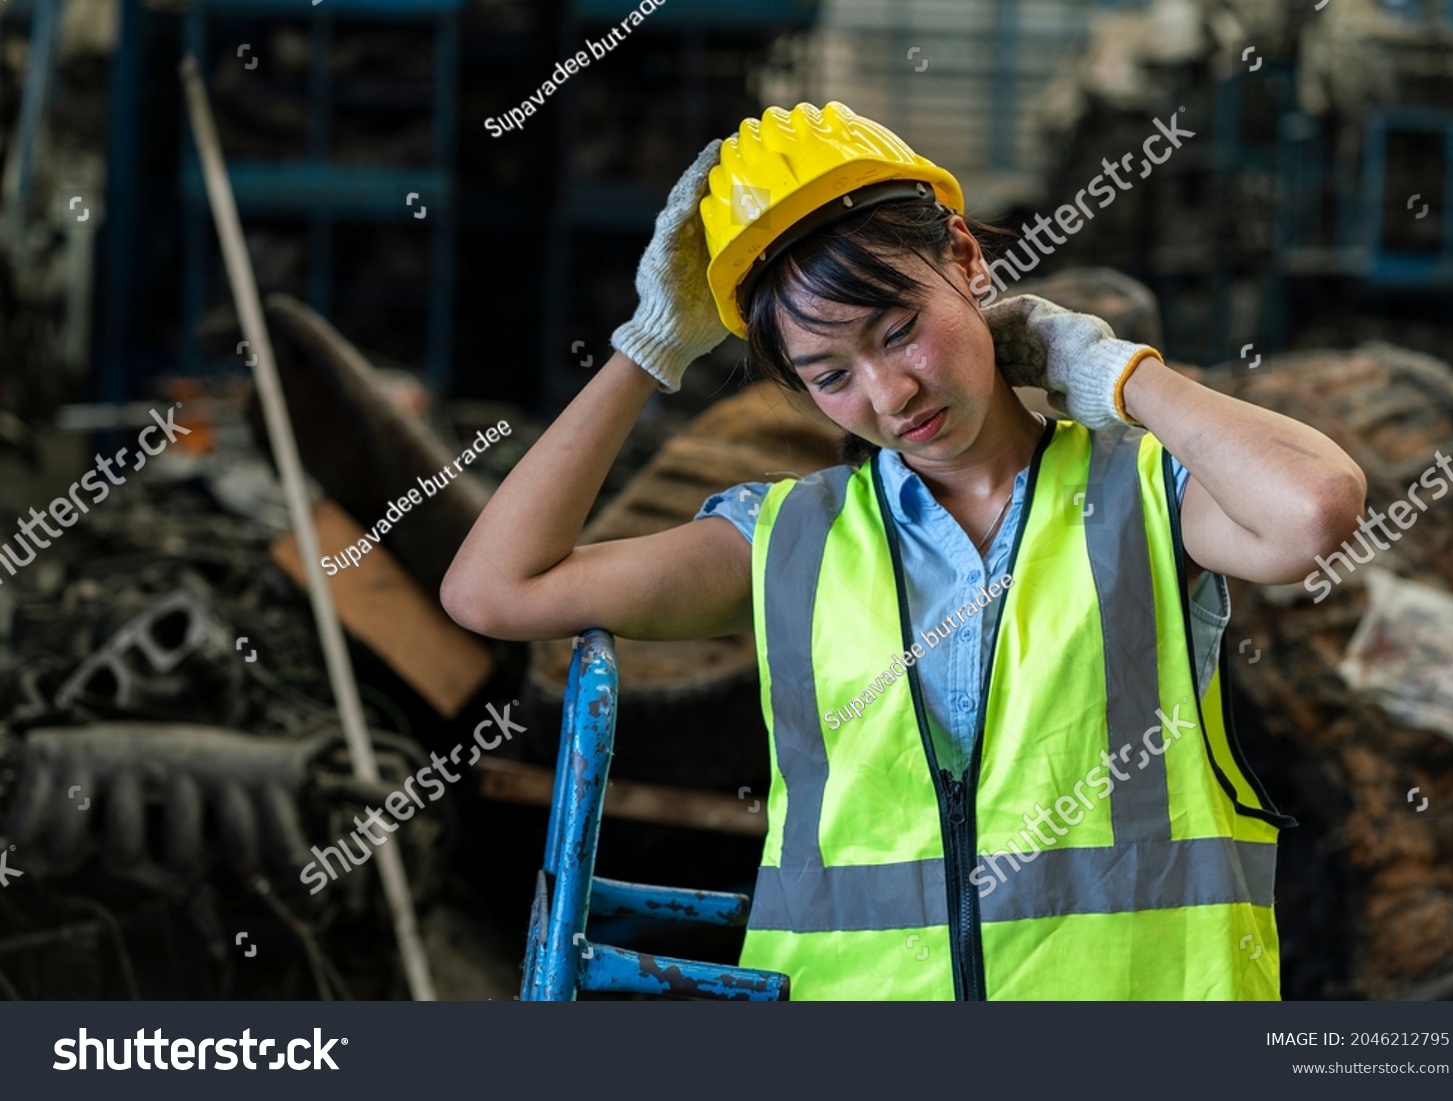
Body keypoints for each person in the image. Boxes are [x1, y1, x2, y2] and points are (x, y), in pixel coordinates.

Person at [441, 102, 1367, 1000]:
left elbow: (1315, 509)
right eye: (831, 375)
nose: (892, 394)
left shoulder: (1142, 496)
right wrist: (648, 351)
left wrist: (1112, 374)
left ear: (965, 257)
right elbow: (496, 590)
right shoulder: (788, 540)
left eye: (900, 330)